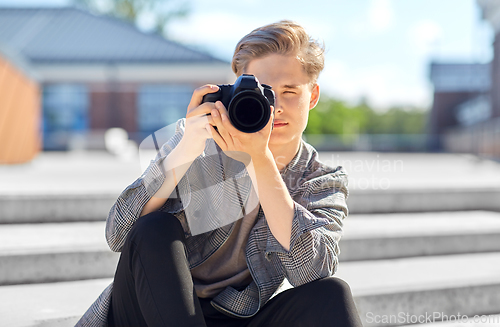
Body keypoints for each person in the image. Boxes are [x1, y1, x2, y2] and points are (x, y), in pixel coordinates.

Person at [76, 20, 363, 327]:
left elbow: (313, 270)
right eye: (265, 92)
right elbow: (120, 234)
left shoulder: (320, 179)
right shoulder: (198, 142)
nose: (276, 107)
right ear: (239, 90)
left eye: (290, 91)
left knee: (332, 293)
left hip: (236, 317)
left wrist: (259, 160)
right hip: (151, 309)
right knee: (155, 228)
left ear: (313, 96)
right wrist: (186, 149)